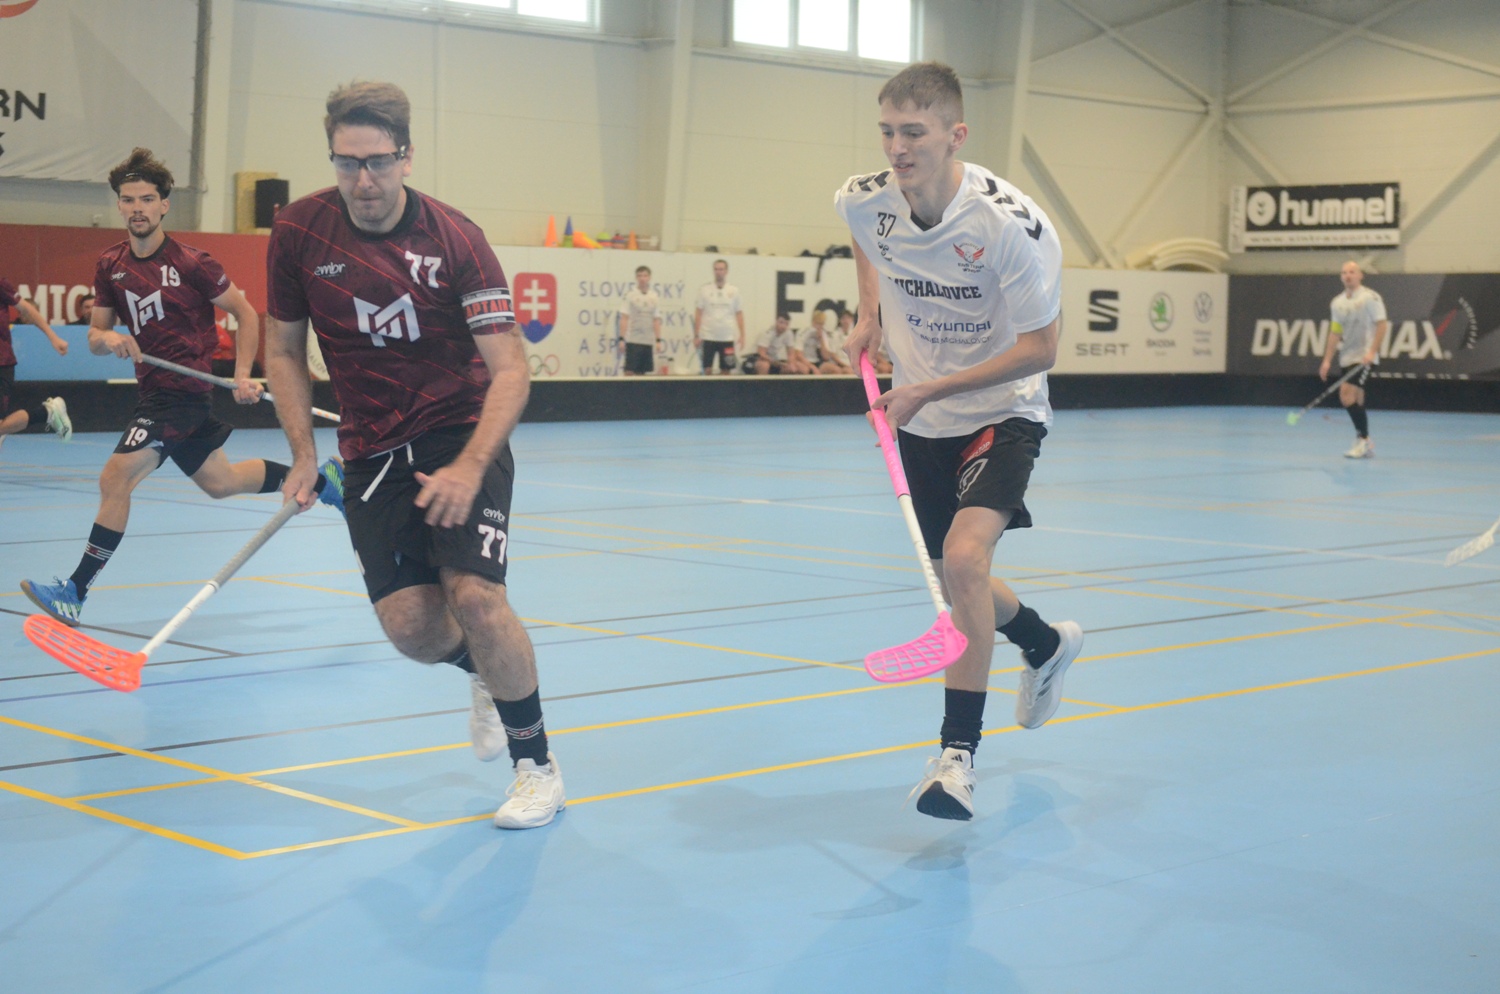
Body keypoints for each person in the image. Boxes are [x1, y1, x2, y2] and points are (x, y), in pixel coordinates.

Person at [262, 81, 565, 830]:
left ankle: (537, 768)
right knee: (412, 628)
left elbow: (511, 370)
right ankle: (482, 673)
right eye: (347, 163)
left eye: (377, 162)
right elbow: (284, 350)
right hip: (370, 448)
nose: (363, 180)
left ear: (406, 157)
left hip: (458, 431)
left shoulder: (454, 238)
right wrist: (301, 453)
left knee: (476, 599)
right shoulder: (299, 231)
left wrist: (470, 464)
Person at [836, 62, 1083, 822]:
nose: (897, 148)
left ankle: (956, 758)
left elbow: (1042, 347)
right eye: (888, 132)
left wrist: (931, 388)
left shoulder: (1009, 227)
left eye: (914, 133)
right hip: (923, 416)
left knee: (966, 560)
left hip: (1002, 410)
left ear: (956, 135)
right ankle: (1043, 643)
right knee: (959, 584)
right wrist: (870, 313)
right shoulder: (865, 198)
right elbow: (866, 238)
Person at [20, 148, 343, 625]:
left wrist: (242, 373)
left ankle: (75, 591)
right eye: (129, 200)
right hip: (153, 392)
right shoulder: (110, 265)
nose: (138, 208)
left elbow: (245, 313)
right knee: (221, 482)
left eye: (147, 199)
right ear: (119, 205)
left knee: (115, 478)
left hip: (182, 396)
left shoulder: (192, 263)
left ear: (164, 205)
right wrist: (111, 339)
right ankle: (324, 481)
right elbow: (94, 338)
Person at [1318, 261, 1387, 459]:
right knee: (1356, 398)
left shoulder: (1370, 298)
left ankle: (1363, 439)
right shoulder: (1337, 303)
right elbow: (1335, 332)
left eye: (1352, 272)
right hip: (1347, 357)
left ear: (1360, 275)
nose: (1348, 275)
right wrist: (1327, 360)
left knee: (1345, 395)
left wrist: (1372, 352)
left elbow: (1382, 325)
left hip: (1365, 357)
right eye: (1344, 273)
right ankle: (1363, 441)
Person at [0, 278, 72, 442]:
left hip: (2, 364)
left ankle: (47, 413)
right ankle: (47, 413)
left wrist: (53, 337)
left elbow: (27, 309)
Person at [693, 258, 744, 374]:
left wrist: (742, 335)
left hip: (727, 337)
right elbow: (698, 312)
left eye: (721, 269)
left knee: (726, 370)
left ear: (726, 271)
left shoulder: (734, 290)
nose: (718, 272)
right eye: (716, 269)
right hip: (708, 336)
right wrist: (696, 335)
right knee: (707, 369)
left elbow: (739, 313)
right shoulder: (704, 290)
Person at [617, 265, 661, 376]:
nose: (642, 278)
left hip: (647, 341)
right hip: (633, 340)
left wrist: (658, 340)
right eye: (640, 276)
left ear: (649, 277)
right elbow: (624, 318)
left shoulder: (654, 296)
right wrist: (621, 339)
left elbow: (656, 320)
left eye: (645, 276)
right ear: (636, 278)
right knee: (629, 371)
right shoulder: (630, 295)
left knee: (642, 374)